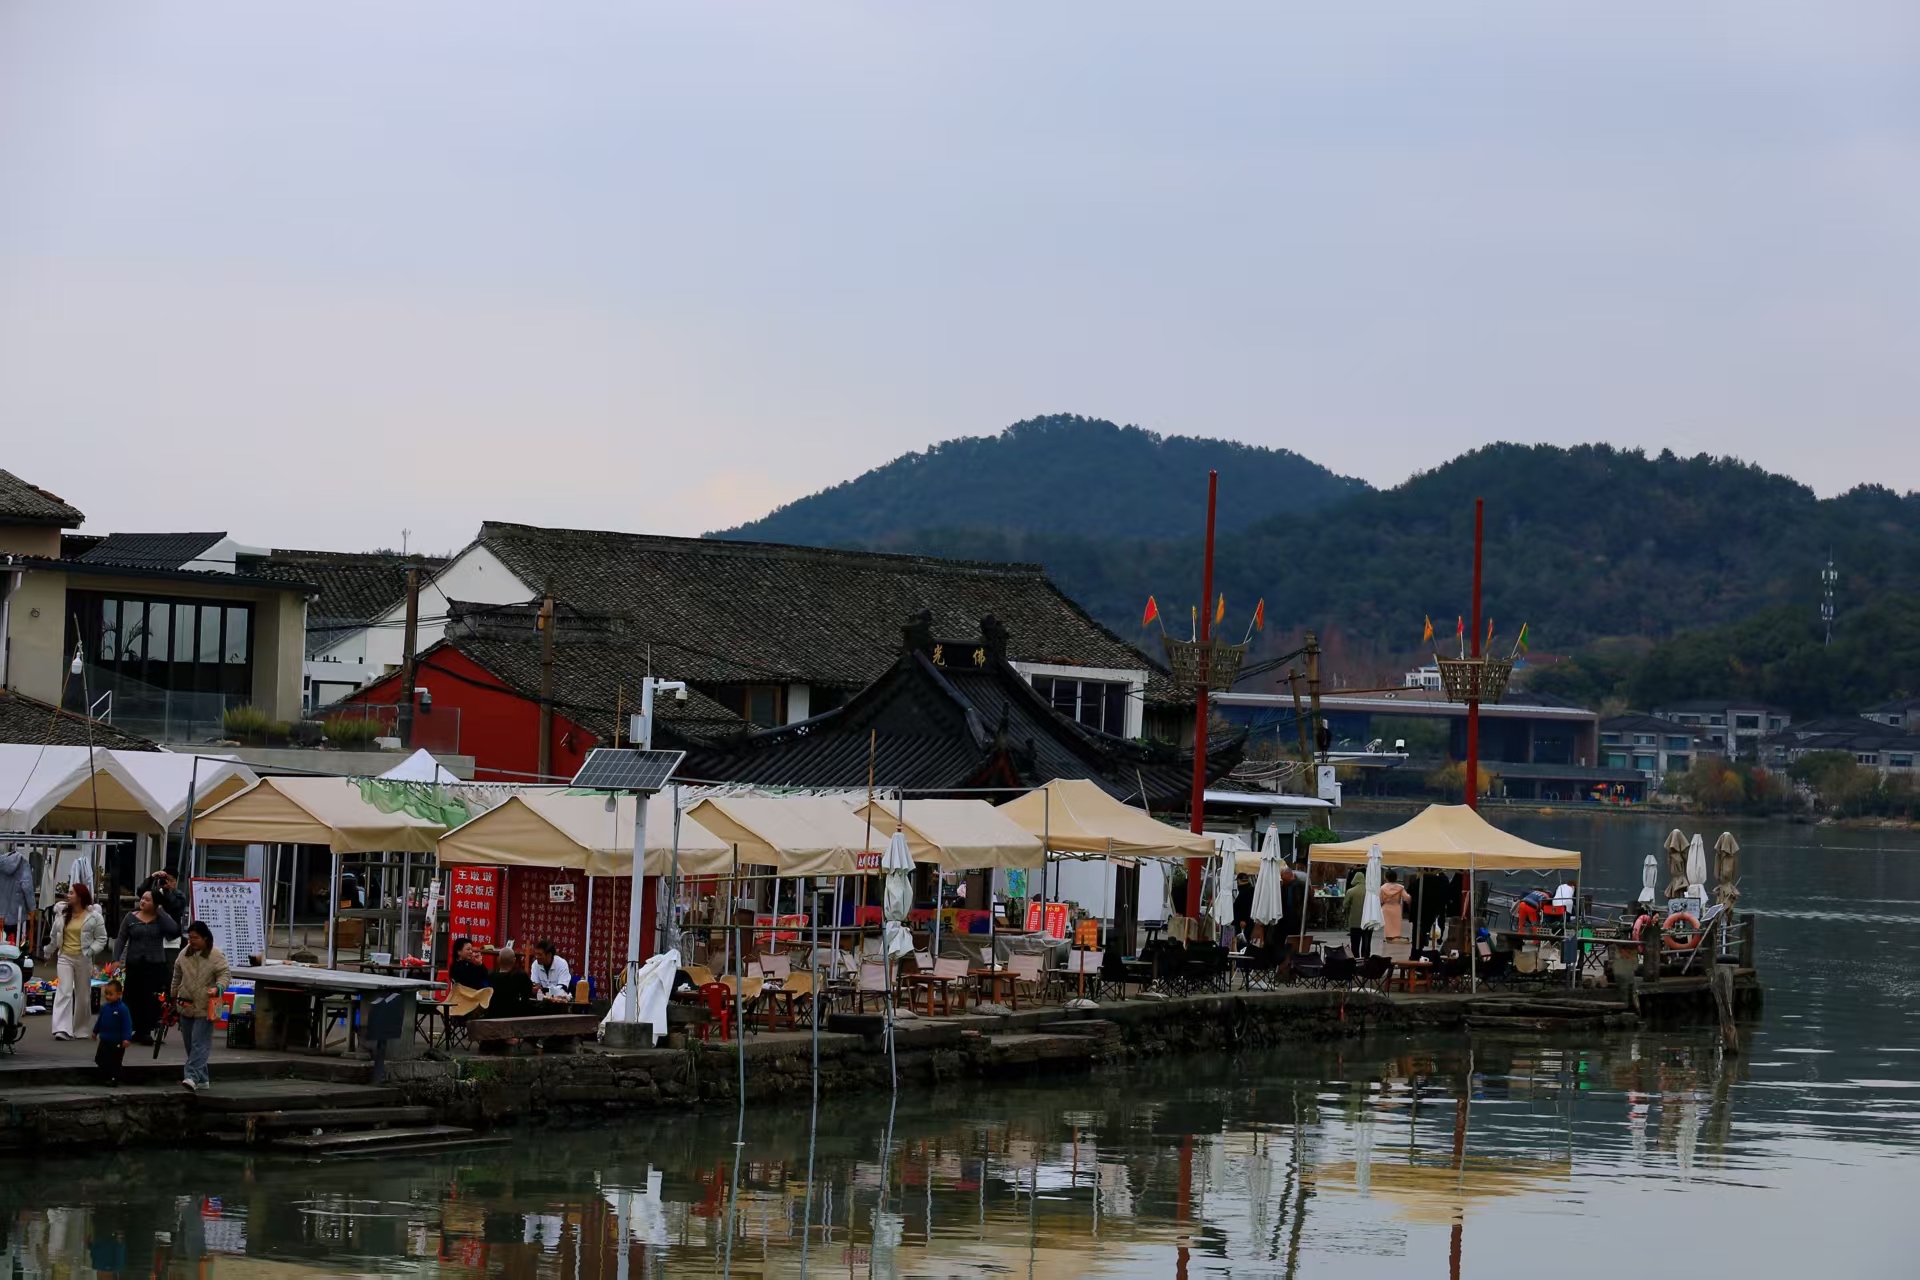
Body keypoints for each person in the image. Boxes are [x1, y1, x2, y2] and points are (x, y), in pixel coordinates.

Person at [115, 889, 180, 1045]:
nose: (143, 902)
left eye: (148, 900)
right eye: (142, 898)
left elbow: (174, 931)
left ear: (156, 904)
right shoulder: (131, 917)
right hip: (134, 963)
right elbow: (121, 938)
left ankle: (145, 1031)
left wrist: (160, 911)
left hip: (155, 964)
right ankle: (132, 1028)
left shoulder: (160, 919)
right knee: (133, 997)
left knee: (151, 998)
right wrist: (116, 959)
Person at [45, 882, 109, 1040]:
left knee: (83, 995)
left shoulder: (94, 916)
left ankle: (80, 1029)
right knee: (64, 990)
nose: (68, 895)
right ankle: (62, 1029)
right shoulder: (62, 913)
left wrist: (90, 951)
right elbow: (55, 935)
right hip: (64, 957)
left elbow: (102, 938)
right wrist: (48, 951)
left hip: (83, 958)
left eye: (71, 893)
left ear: (80, 897)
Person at [171, 921, 230, 1093]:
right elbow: (176, 976)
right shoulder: (184, 954)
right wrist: (173, 995)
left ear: (205, 938)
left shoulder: (216, 955)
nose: (192, 941)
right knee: (190, 1044)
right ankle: (203, 1079)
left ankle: (191, 1077)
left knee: (199, 1043)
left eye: (195, 938)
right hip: (185, 1004)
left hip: (206, 1006)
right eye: (190, 938)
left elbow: (225, 975)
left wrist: (217, 988)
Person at [92, 978, 133, 1086]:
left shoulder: (122, 1009)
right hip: (105, 1039)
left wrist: (126, 1038)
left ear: (119, 994)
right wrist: (95, 1031)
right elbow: (100, 1020)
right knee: (100, 1058)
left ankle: (114, 1078)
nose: (107, 996)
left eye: (110, 994)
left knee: (114, 1060)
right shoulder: (105, 1008)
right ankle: (107, 1074)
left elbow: (127, 1025)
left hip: (116, 1041)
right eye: (106, 993)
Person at [0, 843, 34, 947]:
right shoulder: (23, 863)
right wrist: (32, 908)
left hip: (1, 915)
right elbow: (27, 887)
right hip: (18, 915)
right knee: (17, 946)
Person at [1344, 869, 1373, 958]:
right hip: (1368, 922)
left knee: (1355, 944)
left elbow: (1345, 905)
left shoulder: (1351, 891)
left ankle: (1356, 960)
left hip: (1355, 922)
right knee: (1366, 943)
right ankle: (1365, 960)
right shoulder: (1370, 891)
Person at [1377, 870, 1411, 944]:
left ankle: (1388, 937)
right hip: (1396, 907)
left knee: (1388, 924)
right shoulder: (1400, 888)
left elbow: (1380, 900)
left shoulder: (1382, 888)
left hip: (1386, 907)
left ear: (1386, 878)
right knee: (1396, 923)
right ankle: (1396, 937)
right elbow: (1407, 898)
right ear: (1396, 878)